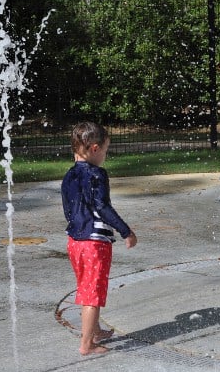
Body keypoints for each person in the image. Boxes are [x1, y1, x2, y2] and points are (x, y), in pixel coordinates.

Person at [61, 122, 138, 355]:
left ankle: (94, 331)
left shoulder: (69, 175)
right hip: (95, 243)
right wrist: (125, 230)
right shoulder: (97, 174)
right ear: (94, 148)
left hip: (75, 241)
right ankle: (87, 344)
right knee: (92, 295)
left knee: (86, 287)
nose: (105, 155)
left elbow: (68, 207)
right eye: (105, 150)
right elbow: (103, 206)